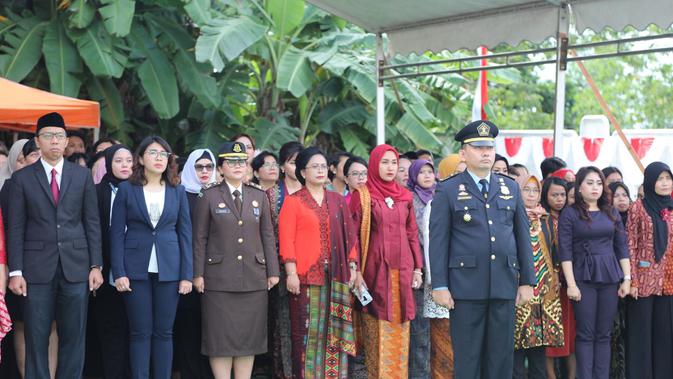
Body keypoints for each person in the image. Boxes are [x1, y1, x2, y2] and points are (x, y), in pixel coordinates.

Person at [429, 120, 535, 379]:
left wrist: (527, 281)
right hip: (466, 287)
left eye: (490, 147)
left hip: (503, 284)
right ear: (463, 153)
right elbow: (439, 241)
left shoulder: (509, 187)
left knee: (501, 359)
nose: (486, 152)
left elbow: (522, 236)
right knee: (468, 359)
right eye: (478, 147)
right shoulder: (448, 189)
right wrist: (439, 285)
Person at [7, 112, 104, 378]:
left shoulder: (81, 176)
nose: (54, 141)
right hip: (36, 269)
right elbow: (15, 227)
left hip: (76, 267)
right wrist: (16, 271)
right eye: (48, 136)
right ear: (38, 141)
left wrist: (96, 264)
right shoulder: (22, 179)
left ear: (65, 142)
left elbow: (91, 222)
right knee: (36, 336)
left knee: (74, 335)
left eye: (59, 136)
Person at [192, 141, 279, 379]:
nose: (238, 166)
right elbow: (199, 238)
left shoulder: (258, 196)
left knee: (248, 338)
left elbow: (267, 236)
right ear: (221, 168)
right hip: (218, 279)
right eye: (231, 162)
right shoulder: (208, 196)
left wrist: (273, 271)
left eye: (241, 162)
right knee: (219, 337)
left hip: (253, 276)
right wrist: (197, 274)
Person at [110, 136, 193, 379]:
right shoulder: (126, 189)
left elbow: (185, 234)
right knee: (140, 332)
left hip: (170, 268)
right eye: (153, 153)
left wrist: (186, 275)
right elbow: (116, 234)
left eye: (163, 154)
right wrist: (119, 272)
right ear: (141, 158)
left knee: (164, 332)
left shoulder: (178, 190)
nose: (159, 158)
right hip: (135, 269)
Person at [279, 147, 358, 378]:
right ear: (303, 172)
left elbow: (350, 237)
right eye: (315, 166)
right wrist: (290, 272)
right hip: (306, 276)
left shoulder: (337, 200)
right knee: (307, 332)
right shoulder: (293, 202)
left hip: (337, 275)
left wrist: (352, 267)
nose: (321, 170)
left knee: (335, 331)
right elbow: (287, 239)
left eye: (324, 166)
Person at [349, 144, 423, 379]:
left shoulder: (405, 196)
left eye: (394, 163)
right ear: (374, 164)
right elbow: (352, 237)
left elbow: (412, 233)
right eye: (385, 162)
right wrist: (355, 270)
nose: (390, 168)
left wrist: (418, 268)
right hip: (374, 274)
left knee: (401, 329)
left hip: (402, 274)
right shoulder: (361, 195)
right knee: (376, 329)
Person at [558, 166, 631, 379]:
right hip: (582, 277)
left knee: (604, 334)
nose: (595, 187)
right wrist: (571, 284)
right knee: (586, 334)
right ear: (579, 186)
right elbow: (565, 251)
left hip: (609, 275)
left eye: (599, 183)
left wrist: (626, 278)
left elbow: (622, 247)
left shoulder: (611, 211)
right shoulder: (570, 214)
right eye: (590, 183)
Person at [625, 162, 673, 378]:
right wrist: (632, 280)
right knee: (641, 335)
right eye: (660, 179)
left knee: (665, 335)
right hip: (642, 282)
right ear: (650, 182)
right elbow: (630, 245)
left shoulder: (671, 206)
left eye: (668, 178)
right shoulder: (638, 207)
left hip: (668, 282)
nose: (665, 183)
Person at [513, 176, 564, 379]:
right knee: (517, 344)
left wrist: (556, 277)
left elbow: (554, 251)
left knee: (540, 346)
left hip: (545, 291)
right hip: (520, 287)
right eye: (526, 190)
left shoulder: (545, 219)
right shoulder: (511, 217)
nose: (532, 195)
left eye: (535, 190)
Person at [173, 149, 217, 379]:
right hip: (188, 270)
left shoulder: (221, 193)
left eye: (209, 167)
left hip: (217, 272)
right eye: (199, 167)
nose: (204, 171)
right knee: (189, 327)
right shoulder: (180, 194)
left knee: (213, 328)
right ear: (190, 168)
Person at [93, 144, 133, 379]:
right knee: (111, 329)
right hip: (106, 269)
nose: (125, 165)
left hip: (139, 269)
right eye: (119, 161)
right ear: (108, 164)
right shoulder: (97, 191)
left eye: (129, 160)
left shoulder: (143, 189)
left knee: (136, 330)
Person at [265, 141, 303, 379]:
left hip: (310, 267)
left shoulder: (315, 191)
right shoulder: (271, 195)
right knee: (282, 324)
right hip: (280, 268)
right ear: (282, 166)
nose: (297, 166)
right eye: (292, 162)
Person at [540, 177, 577, 379]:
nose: (560, 199)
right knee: (550, 335)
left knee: (571, 334)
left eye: (563, 194)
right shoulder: (541, 218)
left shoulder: (571, 217)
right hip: (547, 285)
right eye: (554, 195)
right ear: (545, 195)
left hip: (569, 284)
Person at [407, 159, 435, 378]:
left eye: (430, 171)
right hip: (419, 270)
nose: (427, 175)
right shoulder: (409, 199)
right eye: (422, 172)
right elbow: (412, 234)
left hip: (442, 269)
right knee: (420, 330)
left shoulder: (441, 197)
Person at [608, 181, 631, 379]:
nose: (622, 199)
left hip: (630, 284)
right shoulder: (607, 222)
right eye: (617, 196)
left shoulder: (635, 219)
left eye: (625, 195)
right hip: (611, 282)